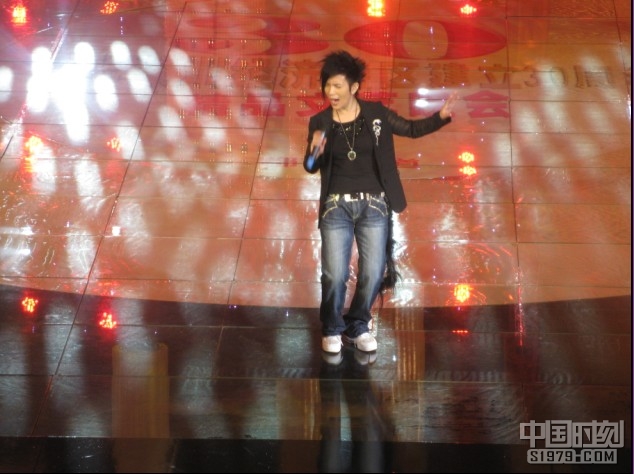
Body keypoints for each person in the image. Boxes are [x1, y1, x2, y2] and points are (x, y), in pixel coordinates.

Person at [304, 50, 457, 354]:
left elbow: (410, 129)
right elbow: (310, 166)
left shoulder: (375, 114)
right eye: (327, 85)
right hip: (336, 207)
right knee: (334, 273)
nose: (331, 92)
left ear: (354, 87)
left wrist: (439, 118)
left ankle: (358, 325)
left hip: (374, 205)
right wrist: (314, 152)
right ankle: (332, 327)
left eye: (337, 86)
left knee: (373, 272)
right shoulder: (320, 121)